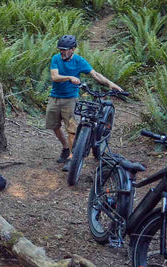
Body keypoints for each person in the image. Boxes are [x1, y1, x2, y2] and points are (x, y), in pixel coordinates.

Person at [46, 35, 122, 171]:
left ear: (73, 49)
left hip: (70, 99)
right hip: (54, 98)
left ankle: (71, 157)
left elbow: (95, 74)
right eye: (60, 49)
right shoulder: (56, 58)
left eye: (65, 49)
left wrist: (110, 83)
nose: (62, 52)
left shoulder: (79, 61)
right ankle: (65, 147)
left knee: (71, 130)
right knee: (54, 127)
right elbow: (54, 77)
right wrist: (70, 77)